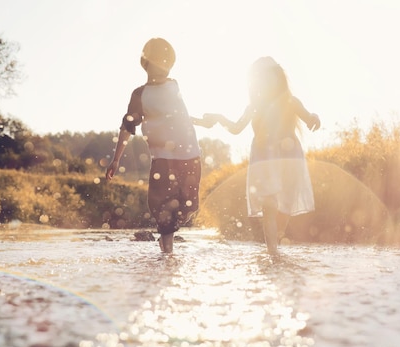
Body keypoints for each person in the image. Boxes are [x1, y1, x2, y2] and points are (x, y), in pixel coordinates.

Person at [106, 38, 213, 254]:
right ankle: (168, 252)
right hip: (162, 157)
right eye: (161, 62)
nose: (165, 67)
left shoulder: (174, 86)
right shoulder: (140, 95)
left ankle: (166, 238)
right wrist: (116, 159)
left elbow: (179, 116)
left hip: (190, 154)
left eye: (168, 62)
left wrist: (201, 122)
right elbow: (127, 126)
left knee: (190, 205)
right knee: (164, 206)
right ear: (147, 64)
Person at [204, 56, 320, 255]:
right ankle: (272, 250)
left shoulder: (290, 101)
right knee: (269, 204)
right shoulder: (253, 107)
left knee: (286, 205)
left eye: (270, 77)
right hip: (264, 159)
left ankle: (276, 239)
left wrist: (314, 118)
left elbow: (309, 118)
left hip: (290, 157)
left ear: (278, 78)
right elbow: (235, 128)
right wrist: (220, 118)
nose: (265, 82)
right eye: (261, 79)